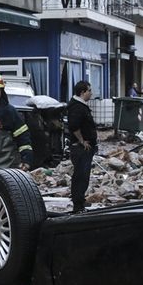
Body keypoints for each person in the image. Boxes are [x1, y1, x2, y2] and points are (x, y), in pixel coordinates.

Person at [65, 80, 98, 215]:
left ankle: (80, 201)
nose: (91, 93)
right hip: (80, 148)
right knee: (81, 175)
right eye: (89, 90)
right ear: (82, 92)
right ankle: (77, 205)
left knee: (84, 175)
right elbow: (74, 126)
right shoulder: (77, 107)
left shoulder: (81, 105)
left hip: (84, 147)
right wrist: (82, 141)